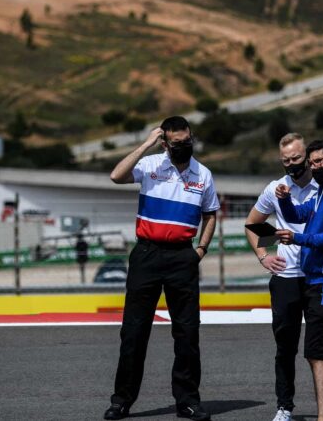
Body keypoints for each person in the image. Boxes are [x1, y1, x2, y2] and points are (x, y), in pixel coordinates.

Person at [104, 116, 219, 421]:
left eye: (188, 140)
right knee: (133, 332)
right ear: (166, 142)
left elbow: (211, 215)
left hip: (183, 257)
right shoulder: (151, 164)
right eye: (177, 142)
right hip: (147, 255)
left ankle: (188, 401)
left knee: (187, 333)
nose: (184, 146)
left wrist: (200, 250)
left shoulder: (203, 174)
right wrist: (145, 144)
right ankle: (122, 400)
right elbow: (116, 176)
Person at [274, 139, 323, 421]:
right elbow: (297, 215)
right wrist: (284, 199)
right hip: (316, 280)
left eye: (319, 161)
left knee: (317, 353)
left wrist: (298, 238)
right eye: (313, 162)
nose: (314, 166)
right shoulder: (322, 191)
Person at [244, 133, 319, 421]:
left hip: (318, 275)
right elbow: (252, 224)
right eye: (286, 160)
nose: (291, 164)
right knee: (285, 346)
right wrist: (263, 256)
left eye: (297, 159)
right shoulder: (275, 188)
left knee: (322, 347)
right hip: (285, 276)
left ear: (308, 157)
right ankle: (284, 406)